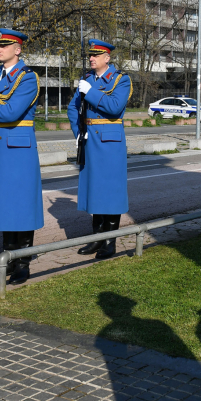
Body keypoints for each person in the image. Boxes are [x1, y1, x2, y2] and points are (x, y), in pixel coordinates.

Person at [0, 28, 43, 285]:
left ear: (18, 50)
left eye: (4, 45)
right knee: (5, 204)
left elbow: (12, 112)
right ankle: (8, 259)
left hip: (18, 148)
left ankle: (22, 264)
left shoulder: (27, 78)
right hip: (0, 147)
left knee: (21, 205)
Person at [68, 39, 131, 259]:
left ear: (107, 58)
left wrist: (91, 92)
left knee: (110, 191)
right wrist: (78, 132)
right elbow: (72, 108)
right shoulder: (87, 79)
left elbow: (115, 107)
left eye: (95, 55)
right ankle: (96, 239)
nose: (91, 59)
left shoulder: (121, 80)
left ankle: (109, 242)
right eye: (90, 56)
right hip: (89, 140)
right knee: (94, 189)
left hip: (110, 141)